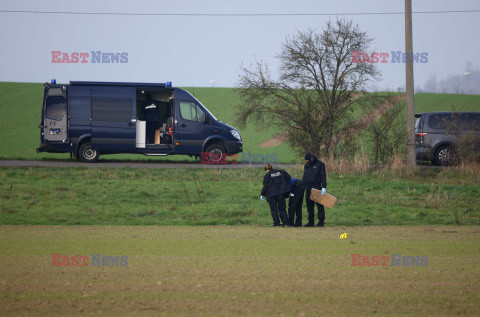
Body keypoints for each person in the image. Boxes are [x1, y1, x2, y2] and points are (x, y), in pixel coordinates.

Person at [302, 153, 327, 227]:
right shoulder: (306, 165)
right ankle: (311, 222)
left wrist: (323, 187)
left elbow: (323, 176)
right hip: (308, 187)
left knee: (319, 205)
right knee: (309, 205)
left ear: (311, 159)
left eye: (308, 160)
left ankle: (321, 221)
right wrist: (303, 184)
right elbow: (305, 175)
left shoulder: (320, 164)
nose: (307, 161)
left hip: (316, 186)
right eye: (306, 160)